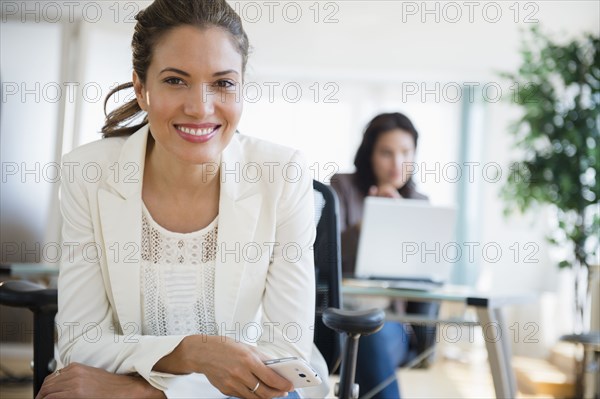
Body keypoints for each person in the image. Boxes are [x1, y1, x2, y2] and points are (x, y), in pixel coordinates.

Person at [36, 1, 329, 398]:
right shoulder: (89, 173)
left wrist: (148, 393)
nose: (200, 108)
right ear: (142, 89)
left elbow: (284, 357)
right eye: (176, 80)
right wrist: (192, 353)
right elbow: (80, 343)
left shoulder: (281, 174)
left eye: (223, 83)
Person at [330, 112, 437, 399]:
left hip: (390, 321)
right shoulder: (342, 188)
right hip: (341, 313)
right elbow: (329, 255)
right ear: (370, 155)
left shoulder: (419, 204)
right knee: (361, 334)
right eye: (387, 153)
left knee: (369, 334)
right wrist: (370, 221)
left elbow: (425, 274)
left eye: (406, 152)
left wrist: (399, 219)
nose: (397, 163)